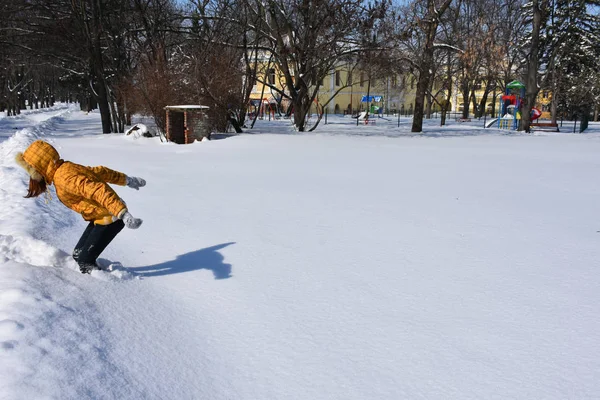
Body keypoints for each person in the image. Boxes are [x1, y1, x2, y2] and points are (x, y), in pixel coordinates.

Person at [15, 140, 145, 274]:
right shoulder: (66, 168)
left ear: (39, 168)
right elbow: (98, 172)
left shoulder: (65, 178)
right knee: (77, 255)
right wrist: (127, 180)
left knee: (85, 261)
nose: (31, 178)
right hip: (99, 216)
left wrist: (122, 212)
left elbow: (97, 190)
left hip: (111, 218)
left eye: (31, 172)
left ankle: (103, 285)